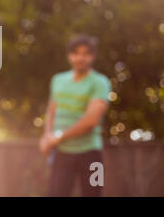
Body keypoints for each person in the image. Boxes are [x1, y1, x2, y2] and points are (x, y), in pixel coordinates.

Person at [39, 35, 111, 197]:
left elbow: (91, 120)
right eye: (76, 53)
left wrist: (58, 137)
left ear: (92, 57)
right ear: (69, 56)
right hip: (62, 154)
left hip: (92, 154)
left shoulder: (100, 82)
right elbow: (51, 111)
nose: (81, 58)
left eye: (86, 54)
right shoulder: (57, 80)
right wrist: (47, 135)